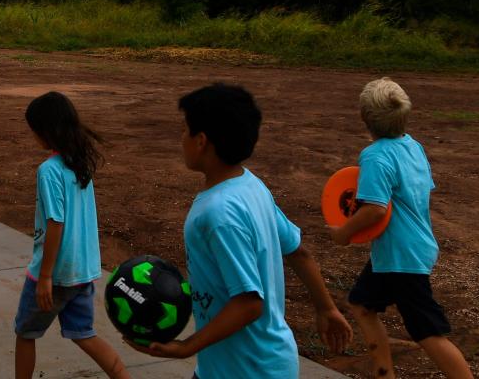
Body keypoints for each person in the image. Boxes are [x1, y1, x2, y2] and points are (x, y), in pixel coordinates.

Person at [138, 83, 352, 377]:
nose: (181, 138)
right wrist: (326, 308)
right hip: (245, 365)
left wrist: (186, 347)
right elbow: (298, 250)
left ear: (201, 141)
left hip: (249, 369)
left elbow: (249, 304)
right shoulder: (251, 186)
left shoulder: (218, 213)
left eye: (185, 130)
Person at [329, 78, 474, 378]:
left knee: (428, 332)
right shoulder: (413, 146)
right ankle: (384, 374)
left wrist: (344, 233)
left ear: (364, 118)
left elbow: (374, 209)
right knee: (362, 304)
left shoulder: (375, 156)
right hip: (405, 250)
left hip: (401, 256)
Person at [14, 91, 129, 379]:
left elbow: (56, 223)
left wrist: (45, 277)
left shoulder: (49, 170)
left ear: (44, 131)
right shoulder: (79, 164)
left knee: (25, 333)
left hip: (55, 273)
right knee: (84, 334)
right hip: (83, 271)